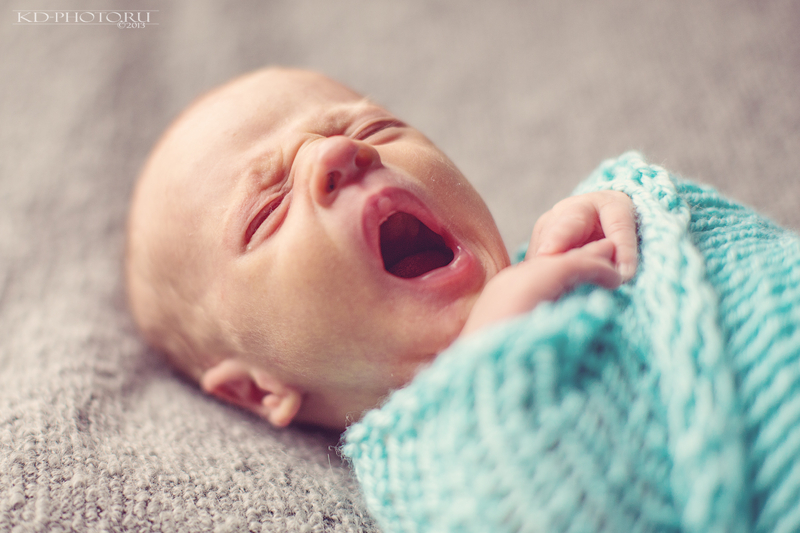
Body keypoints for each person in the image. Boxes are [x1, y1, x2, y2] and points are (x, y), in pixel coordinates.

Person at [126, 67, 638, 431]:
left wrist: (624, 206)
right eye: (268, 211)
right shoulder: (416, 469)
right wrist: (491, 358)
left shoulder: (559, 257)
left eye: (373, 128)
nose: (340, 151)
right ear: (259, 389)